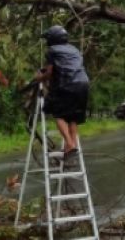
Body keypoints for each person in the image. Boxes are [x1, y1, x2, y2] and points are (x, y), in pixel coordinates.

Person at [35, 25, 90, 159]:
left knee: (58, 114)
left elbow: (49, 73)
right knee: (73, 117)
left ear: (52, 39)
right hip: (83, 84)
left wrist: (39, 77)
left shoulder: (51, 50)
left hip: (67, 84)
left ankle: (70, 144)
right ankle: (73, 145)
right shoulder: (74, 50)